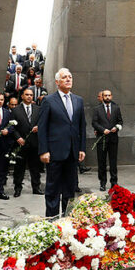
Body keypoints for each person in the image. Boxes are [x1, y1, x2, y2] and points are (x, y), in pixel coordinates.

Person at [38, 68, 87, 217]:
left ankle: (68, 221)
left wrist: (81, 148)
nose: (68, 79)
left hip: (72, 153)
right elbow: (42, 127)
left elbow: (81, 126)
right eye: (64, 77)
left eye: (70, 77)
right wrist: (43, 150)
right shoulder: (48, 100)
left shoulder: (78, 100)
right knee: (53, 190)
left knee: (69, 191)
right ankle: (52, 222)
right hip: (54, 153)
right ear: (57, 82)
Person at [11, 88, 43, 197]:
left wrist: (39, 127)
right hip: (21, 143)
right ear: (22, 96)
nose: (29, 96)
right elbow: (12, 127)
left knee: (35, 167)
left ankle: (36, 187)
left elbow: (43, 123)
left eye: (31, 95)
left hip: (34, 143)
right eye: (27, 95)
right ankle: (18, 188)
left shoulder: (38, 109)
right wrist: (18, 138)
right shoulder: (15, 110)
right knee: (19, 167)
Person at [92, 89, 123, 191]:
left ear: (111, 96)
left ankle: (114, 182)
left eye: (109, 95)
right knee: (102, 162)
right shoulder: (97, 109)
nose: (107, 97)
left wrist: (117, 128)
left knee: (113, 162)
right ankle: (102, 182)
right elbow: (94, 123)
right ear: (102, 97)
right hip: (102, 139)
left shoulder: (116, 108)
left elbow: (120, 122)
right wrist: (102, 130)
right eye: (105, 96)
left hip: (113, 139)